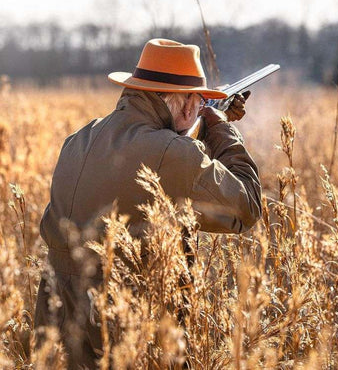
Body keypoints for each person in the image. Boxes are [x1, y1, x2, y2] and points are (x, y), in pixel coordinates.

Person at [34, 38, 262, 368]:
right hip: (123, 338)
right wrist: (220, 129)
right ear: (186, 106)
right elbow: (248, 205)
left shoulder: (80, 138)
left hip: (55, 335)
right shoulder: (172, 154)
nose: (196, 110)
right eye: (196, 103)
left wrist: (200, 127)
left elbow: (152, 171)